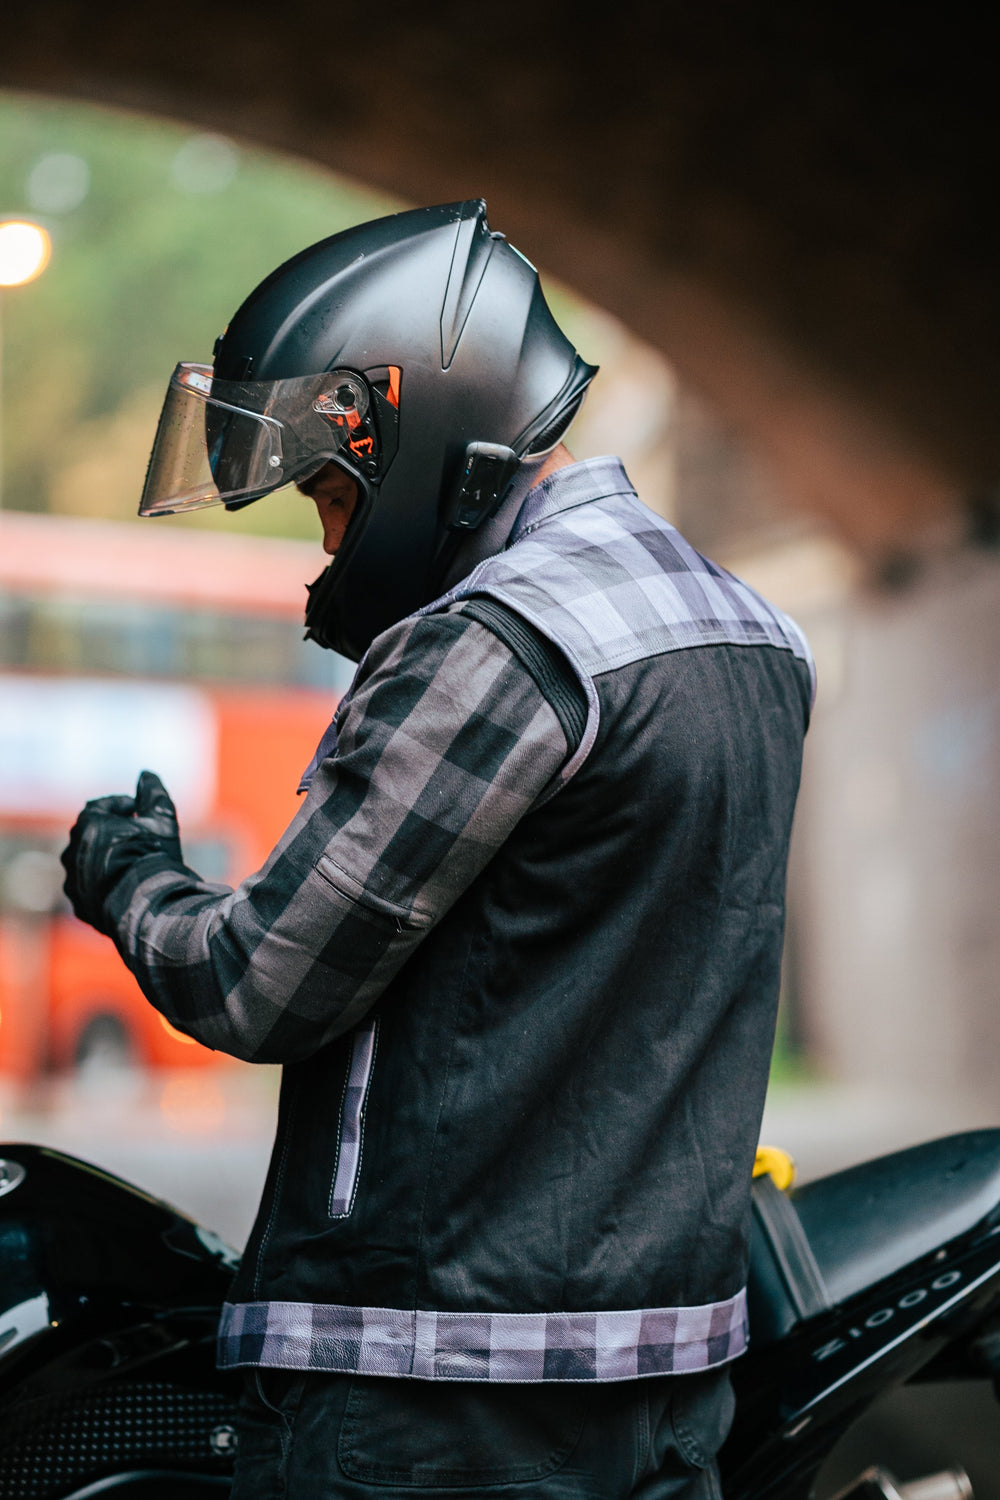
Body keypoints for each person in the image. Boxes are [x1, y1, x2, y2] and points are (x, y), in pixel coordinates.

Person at [61, 199, 814, 1499]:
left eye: (334, 494)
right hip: (668, 1386)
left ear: (412, 427)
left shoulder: (503, 641)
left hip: (439, 1401)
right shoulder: (749, 630)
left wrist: (130, 877)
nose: (331, 542)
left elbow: (260, 980)